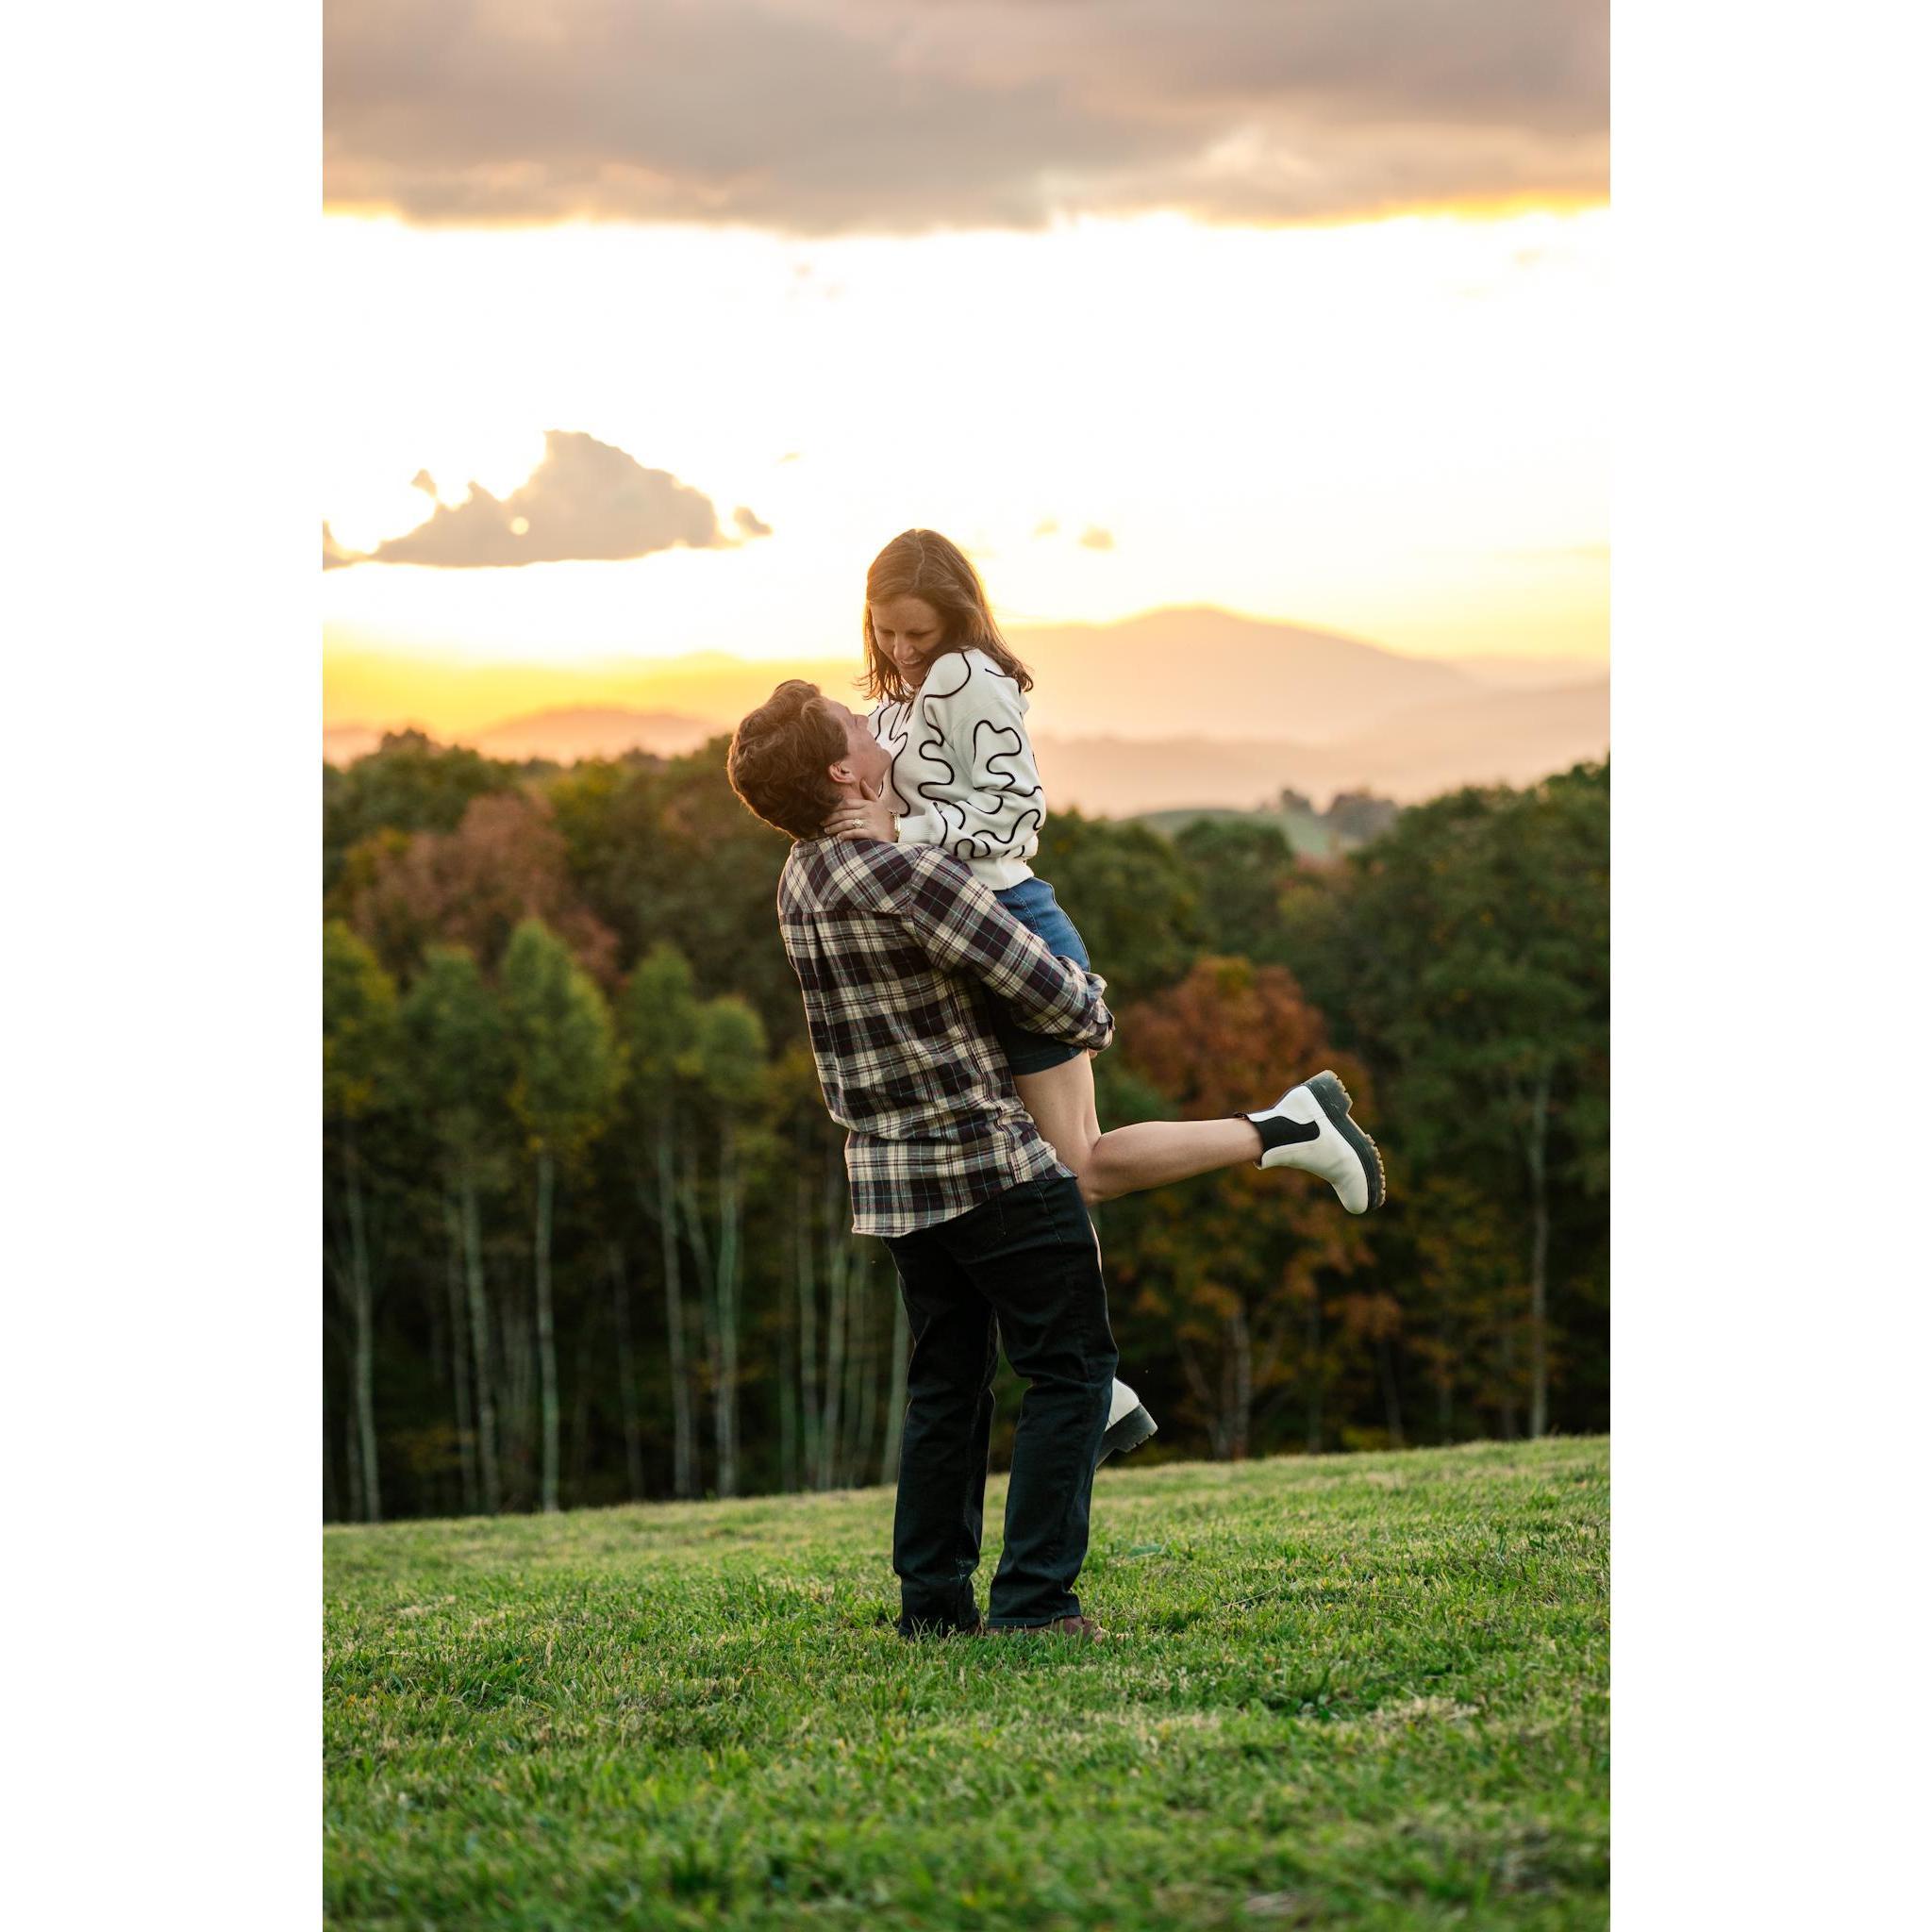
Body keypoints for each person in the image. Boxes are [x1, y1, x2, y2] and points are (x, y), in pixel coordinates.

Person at [726, 678, 1381, 1640]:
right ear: (842, 772)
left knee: (947, 1391)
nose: (876, 726)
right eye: (857, 725)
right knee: (1071, 1372)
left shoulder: (799, 881)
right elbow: (1068, 1005)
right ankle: (1035, 1604)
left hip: (897, 1188)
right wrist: (1085, 993)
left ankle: (933, 1608)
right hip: (992, 1169)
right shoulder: (909, 877)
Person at [823, 529, 1387, 1451]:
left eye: (918, 631)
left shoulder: (969, 676)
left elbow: (1016, 813)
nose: (902, 648)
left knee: (1072, 1169)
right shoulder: (900, 696)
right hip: (959, 949)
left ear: (957, 616)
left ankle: (1287, 1128)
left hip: (1012, 930)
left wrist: (904, 834)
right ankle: (1104, 1383)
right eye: (887, 631)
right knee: (1023, 1177)